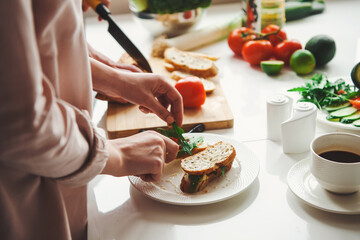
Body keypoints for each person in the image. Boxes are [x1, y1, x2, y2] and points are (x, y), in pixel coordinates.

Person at [0, 0, 183, 239]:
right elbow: (22, 125)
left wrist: (117, 81)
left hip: (69, 173)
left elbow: (38, 47)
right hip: (28, 207)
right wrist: (117, 154)